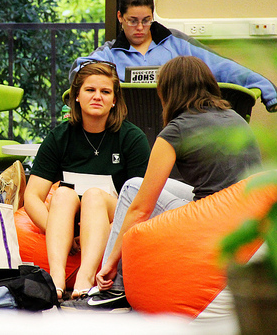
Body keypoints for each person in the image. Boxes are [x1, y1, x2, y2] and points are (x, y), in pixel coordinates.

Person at [67, 56, 262, 311]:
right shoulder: (234, 117)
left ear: (168, 91)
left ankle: (113, 288)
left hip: (209, 223)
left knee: (131, 189)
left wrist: (111, 262)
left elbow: (141, 210)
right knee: (138, 182)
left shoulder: (176, 130)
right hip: (245, 218)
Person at [23, 61, 150, 301]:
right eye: (90, 90)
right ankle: (57, 279)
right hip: (69, 222)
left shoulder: (133, 138)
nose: (97, 97)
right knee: (61, 194)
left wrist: (109, 234)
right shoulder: (60, 137)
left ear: (114, 100)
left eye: (105, 92)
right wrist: (61, 233)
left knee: (93, 195)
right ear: (76, 96)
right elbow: (31, 196)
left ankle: (86, 277)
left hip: (113, 219)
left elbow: (139, 204)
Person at [69, 0, 277, 113]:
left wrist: (265, 87)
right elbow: (79, 72)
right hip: (128, 134)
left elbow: (221, 67)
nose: (140, 28)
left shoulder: (177, 44)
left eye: (147, 20)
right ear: (119, 18)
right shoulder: (109, 54)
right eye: (132, 21)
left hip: (180, 130)